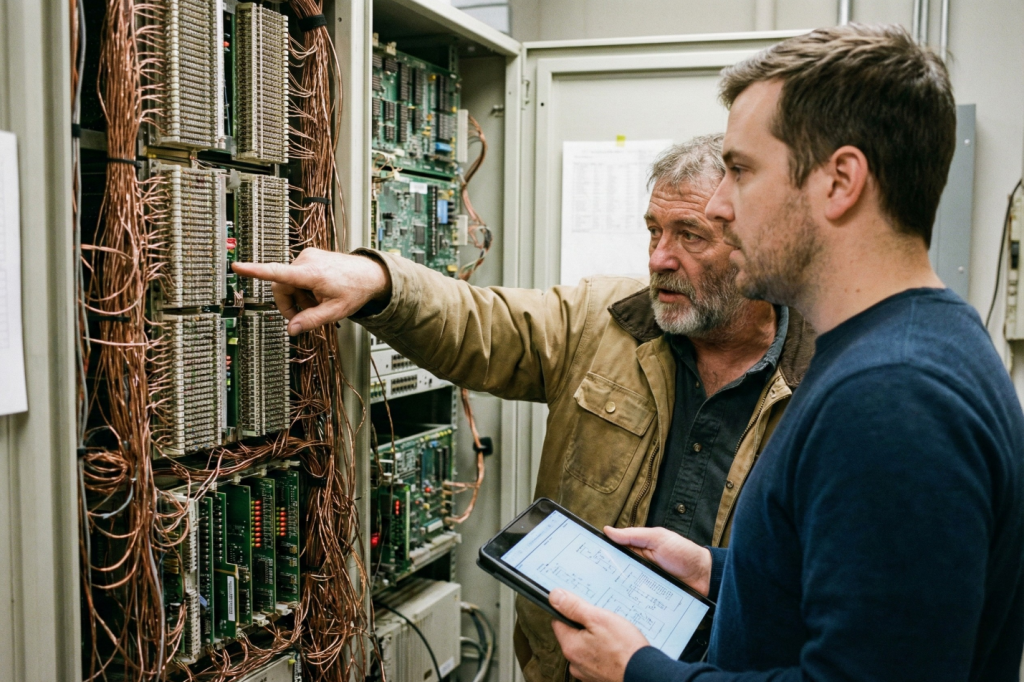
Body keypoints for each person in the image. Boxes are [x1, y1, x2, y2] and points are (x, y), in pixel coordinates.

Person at [232, 134, 815, 681]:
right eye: (653, 230)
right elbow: (476, 323)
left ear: (755, 243)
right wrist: (378, 279)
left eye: (689, 235)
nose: (660, 257)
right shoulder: (604, 319)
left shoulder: (827, 378)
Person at [543, 23, 1024, 682]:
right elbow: (866, 596)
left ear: (839, 181)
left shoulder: (895, 395)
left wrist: (638, 671)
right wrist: (720, 571)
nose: (720, 204)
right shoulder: (907, 344)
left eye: (740, 170)